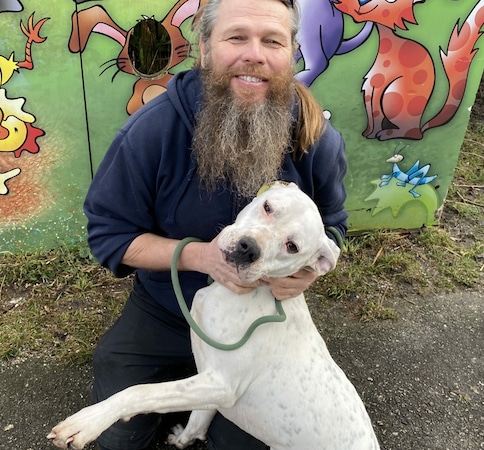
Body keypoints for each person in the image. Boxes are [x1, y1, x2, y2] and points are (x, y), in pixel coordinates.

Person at [82, 0, 348, 448]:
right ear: (205, 48)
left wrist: (304, 274)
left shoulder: (316, 138)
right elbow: (109, 235)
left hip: (259, 325)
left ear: (291, 53)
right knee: (117, 441)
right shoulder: (151, 132)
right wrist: (201, 256)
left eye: (272, 41)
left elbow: (334, 223)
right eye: (236, 37)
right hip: (167, 312)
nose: (255, 54)